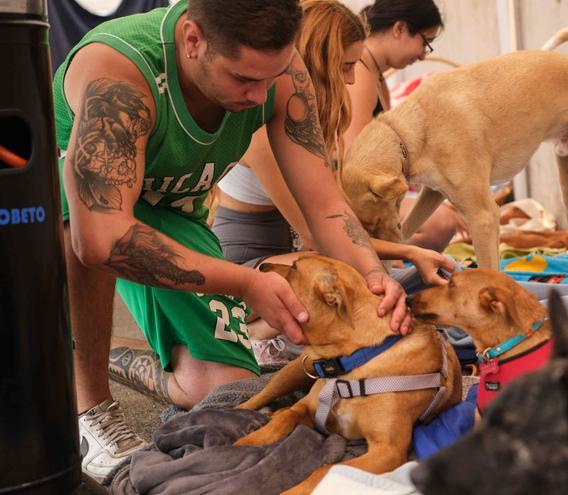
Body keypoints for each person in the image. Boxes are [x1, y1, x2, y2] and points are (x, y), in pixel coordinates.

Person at [55, 0, 408, 481]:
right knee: (81, 218)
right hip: (74, 211)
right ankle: (89, 406)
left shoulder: (278, 70)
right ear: (193, 39)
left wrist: (373, 278)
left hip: (169, 208)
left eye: (272, 76)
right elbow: (103, 239)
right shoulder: (118, 69)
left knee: (221, 388)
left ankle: (110, 354)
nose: (260, 94)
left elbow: (324, 203)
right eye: (243, 79)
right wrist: (246, 284)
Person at [212, 0, 455, 366]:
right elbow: (318, 230)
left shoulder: (310, 116)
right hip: (250, 265)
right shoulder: (262, 124)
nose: (352, 79)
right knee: (350, 280)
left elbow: (332, 220)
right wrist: (405, 252)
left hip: (298, 256)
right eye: (346, 66)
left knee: (411, 280)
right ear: (319, 61)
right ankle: (254, 340)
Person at [345, 0, 465, 252]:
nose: (423, 54)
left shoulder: (374, 74)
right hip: (351, 197)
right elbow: (354, 162)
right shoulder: (360, 74)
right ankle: (389, 261)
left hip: (365, 192)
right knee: (440, 222)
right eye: (425, 42)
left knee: (445, 212)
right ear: (399, 29)